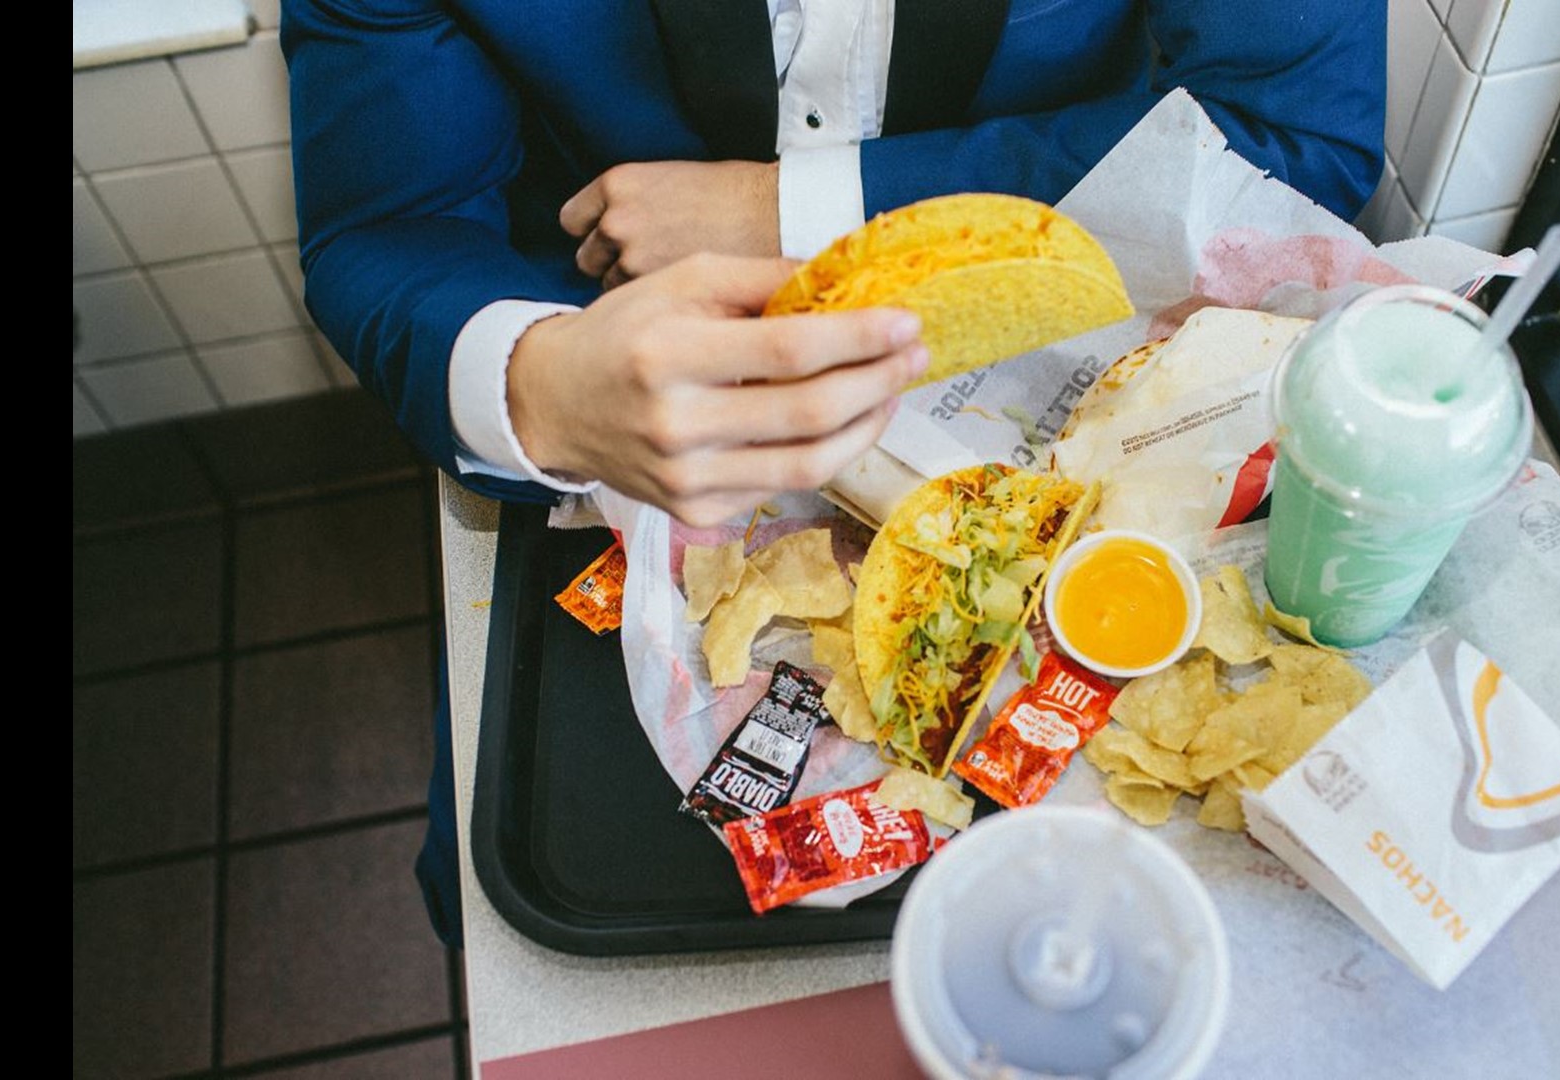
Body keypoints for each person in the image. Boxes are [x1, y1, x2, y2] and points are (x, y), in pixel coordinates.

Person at [283, 0, 1386, 946]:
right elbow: (388, 223)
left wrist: (790, 206)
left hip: (1065, 353)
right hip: (600, 378)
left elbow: (1289, 132)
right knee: (494, 881)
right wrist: (539, 389)